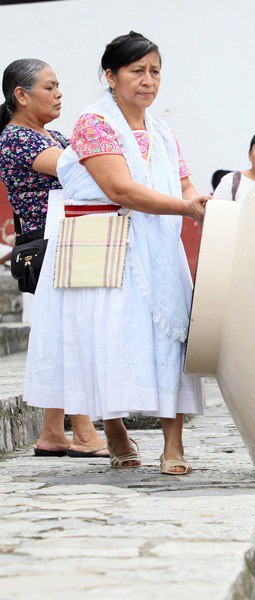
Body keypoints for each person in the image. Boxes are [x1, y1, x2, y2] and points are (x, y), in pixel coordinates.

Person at [23, 32, 209, 475]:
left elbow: (183, 182)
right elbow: (119, 188)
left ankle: (174, 443)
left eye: (155, 72)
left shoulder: (162, 130)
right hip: (101, 244)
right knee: (103, 336)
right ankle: (115, 430)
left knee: (169, 339)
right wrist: (186, 208)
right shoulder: (94, 123)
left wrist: (198, 202)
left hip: (157, 244)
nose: (148, 81)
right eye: (137, 71)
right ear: (111, 76)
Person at [0, 58, 109, 459]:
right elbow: (80, 172)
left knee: (64, 332)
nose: (59, 93)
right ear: (21, 95)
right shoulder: (16, 139)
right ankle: (84, 432)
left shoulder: (54, 136)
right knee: (72, 334)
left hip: (68, 242)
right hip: (50, 247)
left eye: (58, 85)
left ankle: (51, 433)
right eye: (49, 87)